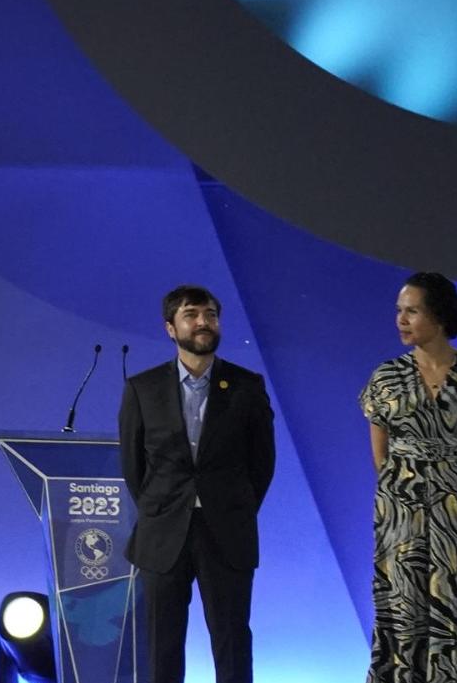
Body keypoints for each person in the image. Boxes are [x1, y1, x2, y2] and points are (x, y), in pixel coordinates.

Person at [118, 285, 275, 683]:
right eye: (192, 315)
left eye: (210, 314)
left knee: (232, 641)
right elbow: (134, 467)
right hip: (163, 533)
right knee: (161, 646)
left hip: (226, 531)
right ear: (171, 328)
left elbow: (262, 463)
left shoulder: (247, 386)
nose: (203, 322)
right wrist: (166, 506)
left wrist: (232, 506)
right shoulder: (143, 388)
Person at [361, 272, 457, 683]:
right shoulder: (386, 376)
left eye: (412, 311)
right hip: (399, 509)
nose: (401, 320)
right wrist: (400, 489)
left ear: (439, 316)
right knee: (402, 601)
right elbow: (379, 445)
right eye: (398, 311)